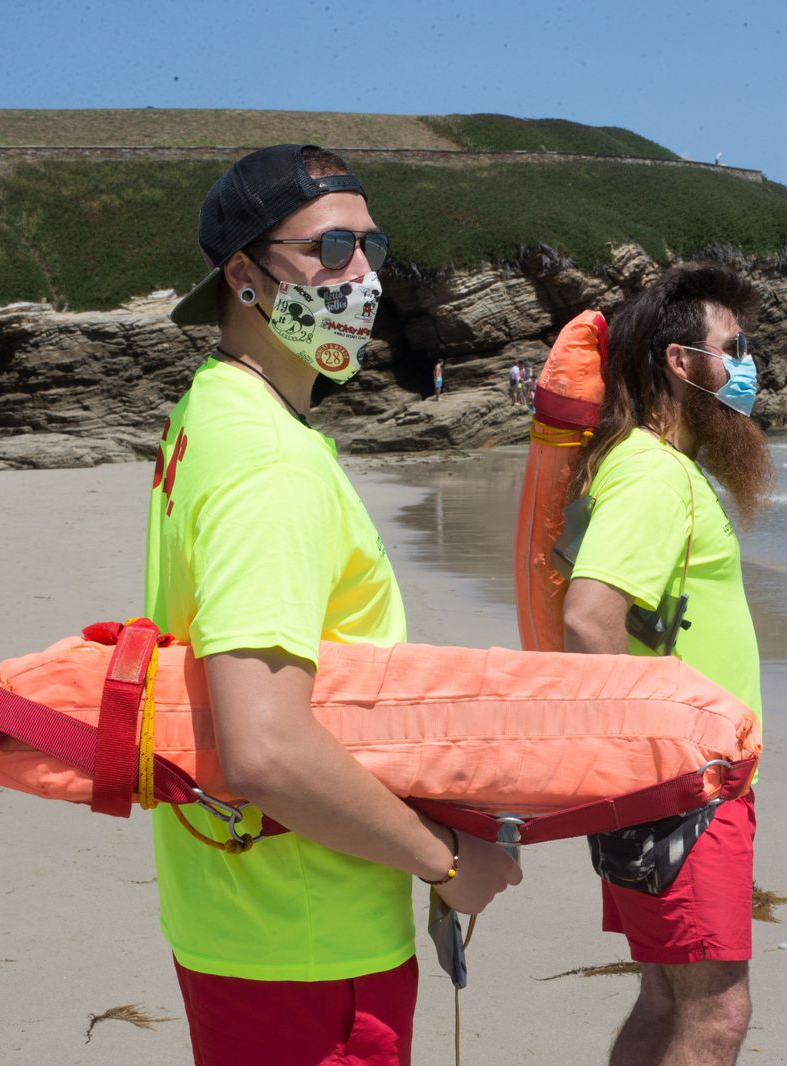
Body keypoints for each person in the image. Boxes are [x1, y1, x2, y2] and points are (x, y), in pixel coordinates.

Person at [153, 144, 520, 1065]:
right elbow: (266, 747)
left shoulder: (208, 411)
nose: (361, 276)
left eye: (371, 248)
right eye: (329, 249)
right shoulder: (271, 463)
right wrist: (446, 862)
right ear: (243, 274)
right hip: (309, 944)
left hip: (236, 913)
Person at [562, 263, 774, 1066]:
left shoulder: (644, 464)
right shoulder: (654, 474)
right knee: (715, 1014)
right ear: (682, 363)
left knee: (664, 998)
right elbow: (589, 618)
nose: (749, 365)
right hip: (684, 791)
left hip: (672, 789)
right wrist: (652, 765)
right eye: (736, 347)